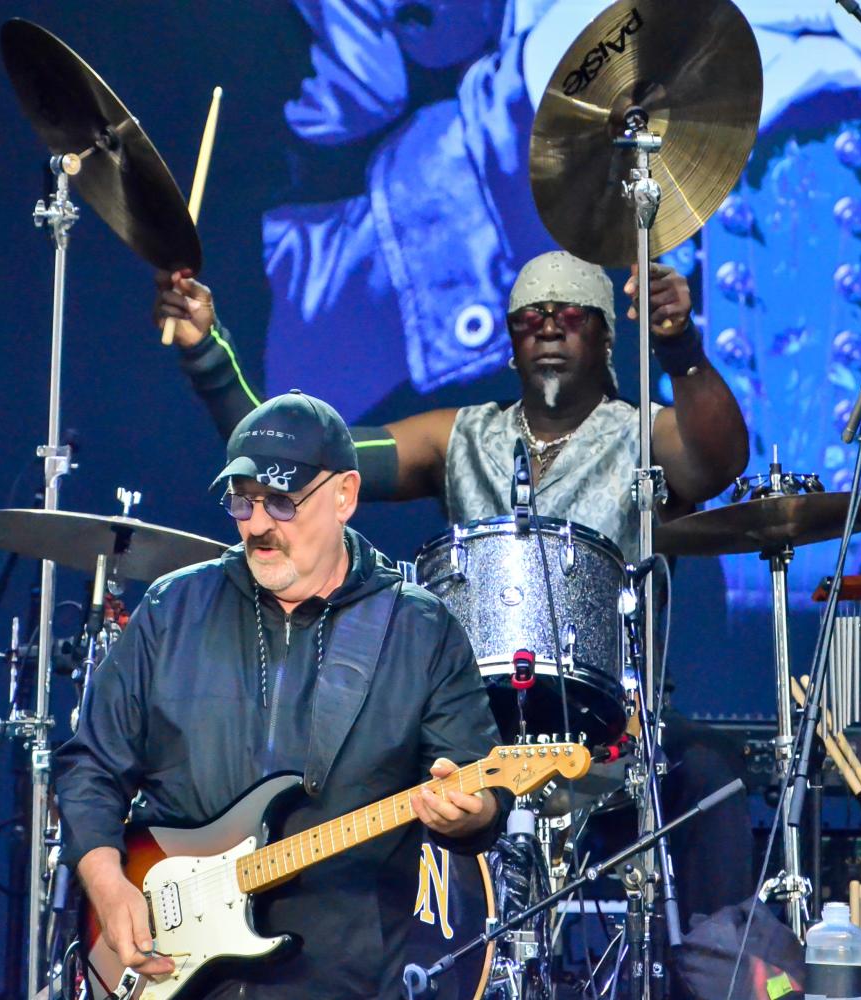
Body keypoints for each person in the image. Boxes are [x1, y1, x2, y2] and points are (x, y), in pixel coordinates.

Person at [155, 251, 754, 922]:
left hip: (609, 730)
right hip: (463, 725)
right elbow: (301, 460)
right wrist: (208, 356)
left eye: (569, 316)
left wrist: (680, 346)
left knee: (710, 768)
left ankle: (716, 968)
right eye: (529, 318)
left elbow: (719, 459)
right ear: (510, 343)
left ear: (606, 337)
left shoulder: (645, 434)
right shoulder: (458, 435)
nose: (548, 328)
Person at [54, 390, 510, 999]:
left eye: (281, 503)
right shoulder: (173, 609)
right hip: (179, 969)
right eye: (242, 502)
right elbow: (91, 764)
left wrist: (473, 813)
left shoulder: (417, 629)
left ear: (345, 495)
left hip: (343, 974)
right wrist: (108, 883)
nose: (258, 524)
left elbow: (485, 790)